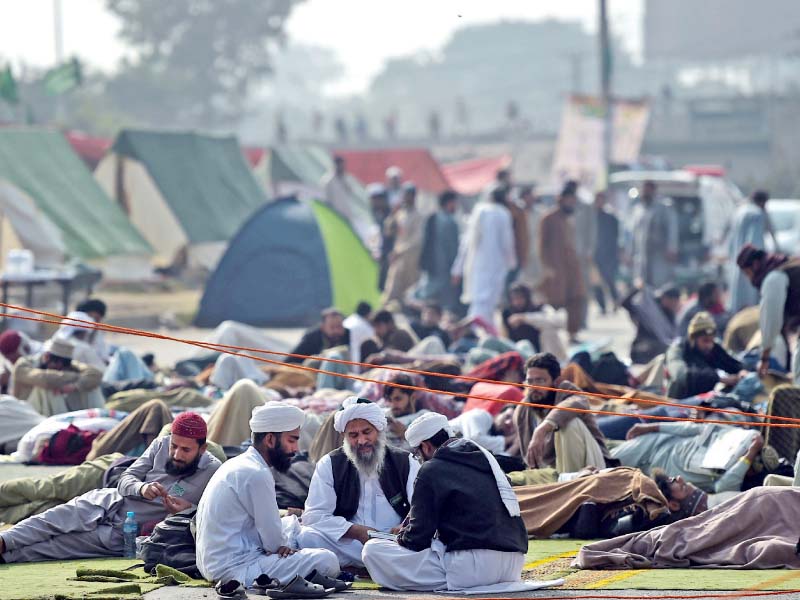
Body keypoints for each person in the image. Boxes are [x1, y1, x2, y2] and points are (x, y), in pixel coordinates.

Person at [0, 413, 220, 562]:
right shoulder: (160, 445)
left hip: (123, 533)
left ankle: (5, 557)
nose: (176, 454)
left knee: (55, 547)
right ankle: (3, 542)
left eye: (185, 450)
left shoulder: (214, 472)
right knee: (49, 520)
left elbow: (215, 519)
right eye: (174, 446)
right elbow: (126, 478)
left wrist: (187, 511)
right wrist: (141, 488)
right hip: (107, 502)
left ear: (202, 449)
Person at [362, 413, 529, 592]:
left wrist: (401, 537)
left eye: (417, 454)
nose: (419, 459)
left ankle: (454, 581)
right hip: (513, 566)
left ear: (425, 447)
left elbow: (416, 540)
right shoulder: (487, 459)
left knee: (372, 550)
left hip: (473, 569)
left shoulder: (432, 468)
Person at [196, 402, 341, 592]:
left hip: (217, 562)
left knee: (294, 526)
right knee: (327, 560)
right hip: (236, 569)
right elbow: (273, 542)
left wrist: (282, 541)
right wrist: (282, 546)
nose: (296, 449)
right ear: (270, 440)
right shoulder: (256, 473)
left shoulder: (238, 464)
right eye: (292, 440)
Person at [297, 397, 419, 570]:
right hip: (350, 543)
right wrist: (354, 531)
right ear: (343, 436)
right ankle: (379, 566)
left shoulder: (405, 461)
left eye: (367, 432)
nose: (361, 441)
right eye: (353, 435)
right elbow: (314, 515)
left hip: (393, 543)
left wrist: (405, 526)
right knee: (307, 537)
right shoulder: (330, 464)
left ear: (379, 429)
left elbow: (421, 507)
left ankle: (361, 564)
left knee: (426, 542)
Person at [513, 352, 613, 472]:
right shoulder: (523, 409)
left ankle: (571, 483)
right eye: (530, 381)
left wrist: (542, 429)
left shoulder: (566, 390)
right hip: (552, 471)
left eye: (540, 381)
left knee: (570, 423)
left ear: (556, 381)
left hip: (593, 465)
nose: (534, 387)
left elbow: (576, 402)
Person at [612, 421, 764, 494]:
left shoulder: (733, 476)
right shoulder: (741, 437)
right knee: (605, 458)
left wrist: (748, 457)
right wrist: (652, 426)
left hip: (651, 475)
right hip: (655, 444)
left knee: (603, 473)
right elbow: (695, 428)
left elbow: (722, 487)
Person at [451, 185, 516, 328]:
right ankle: (477, 329)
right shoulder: (503, 214)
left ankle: (478, 328)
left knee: (480, 300)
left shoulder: (478, 211)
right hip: (495, 265)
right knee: (487, 302)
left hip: (477, 264)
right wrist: (511, 263)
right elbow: (507, 242)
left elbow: (465, 244)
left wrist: (457, 269)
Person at [736, 244, 800, 383]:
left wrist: (764, 358)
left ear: (755, 265)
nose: (749, 279)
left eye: (747, 273)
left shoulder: (773, 278)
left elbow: (771, 321)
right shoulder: (787, 265)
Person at [538, 180, 587, 343]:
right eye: (568, 200)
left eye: (573, 200)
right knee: (554, 302)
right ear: (561, 199)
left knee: (576, 299)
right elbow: (542, 245)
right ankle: (551, 335)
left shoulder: (572, 218)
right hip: (556, 268)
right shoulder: (548, 218)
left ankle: (572, 334)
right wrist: (547, 267)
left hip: (572, 267)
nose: (571, 203)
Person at [12, 339, 103, 417]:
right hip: (24, 413)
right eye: (57, 368)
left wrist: (75, 386)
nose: (60, 371)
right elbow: (45, 380)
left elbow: (95, 374)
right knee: (51, 387)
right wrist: (75, 377)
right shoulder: (23, 365)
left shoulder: (66, 363)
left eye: (63, 368)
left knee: (90, 386)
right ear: (47, 357)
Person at [666, 312, 746, 399]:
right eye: (705, 341)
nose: (709, 345)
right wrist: (718, 378)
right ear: (693, 339)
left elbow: (732, 363)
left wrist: (741, 372)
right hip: (679, 401)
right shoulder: (678, 349)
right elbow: (681, 376)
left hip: (704, 402)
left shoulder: (714, 348)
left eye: (711, 340)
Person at [728, 190, 776, 314]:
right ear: (763, 202)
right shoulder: (757, 213)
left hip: (736, 261)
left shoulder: (739, 211)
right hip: (750, 263)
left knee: (737, 297)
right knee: (751, 300)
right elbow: (755, 242)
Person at [629, 180, 679, 289]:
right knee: (640, 285)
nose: (646, 192)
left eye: (648, 190)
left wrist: (671, 248)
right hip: (642, 255)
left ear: (653, 191)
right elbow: (632, 232)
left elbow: (672, 228)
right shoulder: (638, 209)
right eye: (644, 190)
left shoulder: (664, 207)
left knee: (659, 284)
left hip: (659, 254)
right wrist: (629, 252)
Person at [418, 190, 461, 313]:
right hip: (444, 267)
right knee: (445, 300)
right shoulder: (450, 222)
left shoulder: (433, 217)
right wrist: (456, 268)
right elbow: (453, 248)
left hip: (431, 264)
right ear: (449, 203)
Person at [382, 183, 424, 305]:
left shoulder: (418, 216)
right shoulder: (400, 213)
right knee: (392, 287)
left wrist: (400, 251)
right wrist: (392, 214)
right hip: (398, 256)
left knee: (409, 289)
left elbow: (417, 239)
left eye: (409, 195)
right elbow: (389, 231)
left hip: (411, 257)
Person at [622, 286, 681, 365]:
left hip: (659, 349)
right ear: (665, 298)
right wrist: (637, 288)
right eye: (673, 301)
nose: (674, 305)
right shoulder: (650, 310)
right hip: (641, 350)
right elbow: (625, 303)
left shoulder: (670, 315)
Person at [381, 374, 430, 449]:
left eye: (398, 399)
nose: (393, 405)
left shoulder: (424, 417)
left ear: (413, 397)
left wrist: (404, 433)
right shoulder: (382, 415)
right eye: (390, 400)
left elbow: (430, 448)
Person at [285, 308, 350, 364]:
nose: (336, 331)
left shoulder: (350, 336)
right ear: (323, 327)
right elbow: (290, 361)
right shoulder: (311, 338)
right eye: (332, 327)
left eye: (339, 326)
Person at [592, 191, 620, 314]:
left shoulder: (611, 217)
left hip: (609, 255)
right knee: (597, 283)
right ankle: (602, 306)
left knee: (610, 281)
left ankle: (616, 302)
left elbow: (616, 236)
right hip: (594, 256)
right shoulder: (590, 218)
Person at [502, 282, 544, 352]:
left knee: (524, 344)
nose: (517, 302)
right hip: (514, 352)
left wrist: (523, 318)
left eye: (520, 298)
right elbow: (505, 337)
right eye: (514, 299)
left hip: (534, 353)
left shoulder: (538, 310)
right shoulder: (507, 313)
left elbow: (556, 320)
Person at [517, 185, 543, 288]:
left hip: (538, 253)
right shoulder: (518, 213)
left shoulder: (540, 213)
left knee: (539, 281)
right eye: (527, 196)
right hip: (523, 254)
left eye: (531, 196)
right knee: (524, 282)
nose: (530, 199)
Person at [0, 330, 41, 394]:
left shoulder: (42, 354)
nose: (12, 362)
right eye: (9, 359)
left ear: (25, 348)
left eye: (13, 359)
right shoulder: (8, 364)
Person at [343, 301, 374, 366]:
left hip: (344, 353)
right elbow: (374, 340)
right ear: (368, 313)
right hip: (356, 356)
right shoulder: (365, 326)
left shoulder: (347, 320)